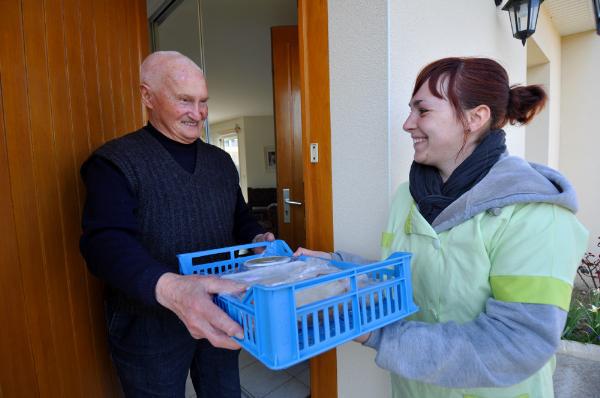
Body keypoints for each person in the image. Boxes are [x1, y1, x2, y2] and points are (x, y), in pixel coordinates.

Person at [295, 57, 588, 398]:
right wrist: (339, 268)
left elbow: (516, 343)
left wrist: (378, 333)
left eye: (422, 111)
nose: (407, 124)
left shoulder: (535, 215)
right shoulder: (406, 196)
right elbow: (407, 281)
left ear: (475, 118)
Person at [80, 51, 274, 398]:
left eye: (203, 102)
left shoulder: (220, 161)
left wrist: (257, 237)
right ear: (147, 96)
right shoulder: (113, 162)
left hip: (217, 308)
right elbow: (104, 243)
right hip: (146, 325)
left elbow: (239, 217)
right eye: (185, 100)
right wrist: (175, 290)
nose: (198, 113)